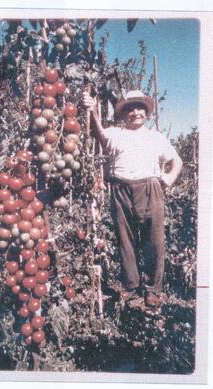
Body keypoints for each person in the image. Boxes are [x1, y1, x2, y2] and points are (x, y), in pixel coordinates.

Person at [82, 90, 183, 308]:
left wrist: (167, 179)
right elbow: (97, 132)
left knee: (154, 240)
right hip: (120, 188)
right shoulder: (115, 133)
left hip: (150, 188)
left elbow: (177, 161)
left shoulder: (156, 137)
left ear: (146, 113)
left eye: (139, 108)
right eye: (129, 108)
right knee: (125, 240)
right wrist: (91, 109)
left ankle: (153, 290)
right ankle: (131, 289)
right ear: (123, 114)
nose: (135, 112)